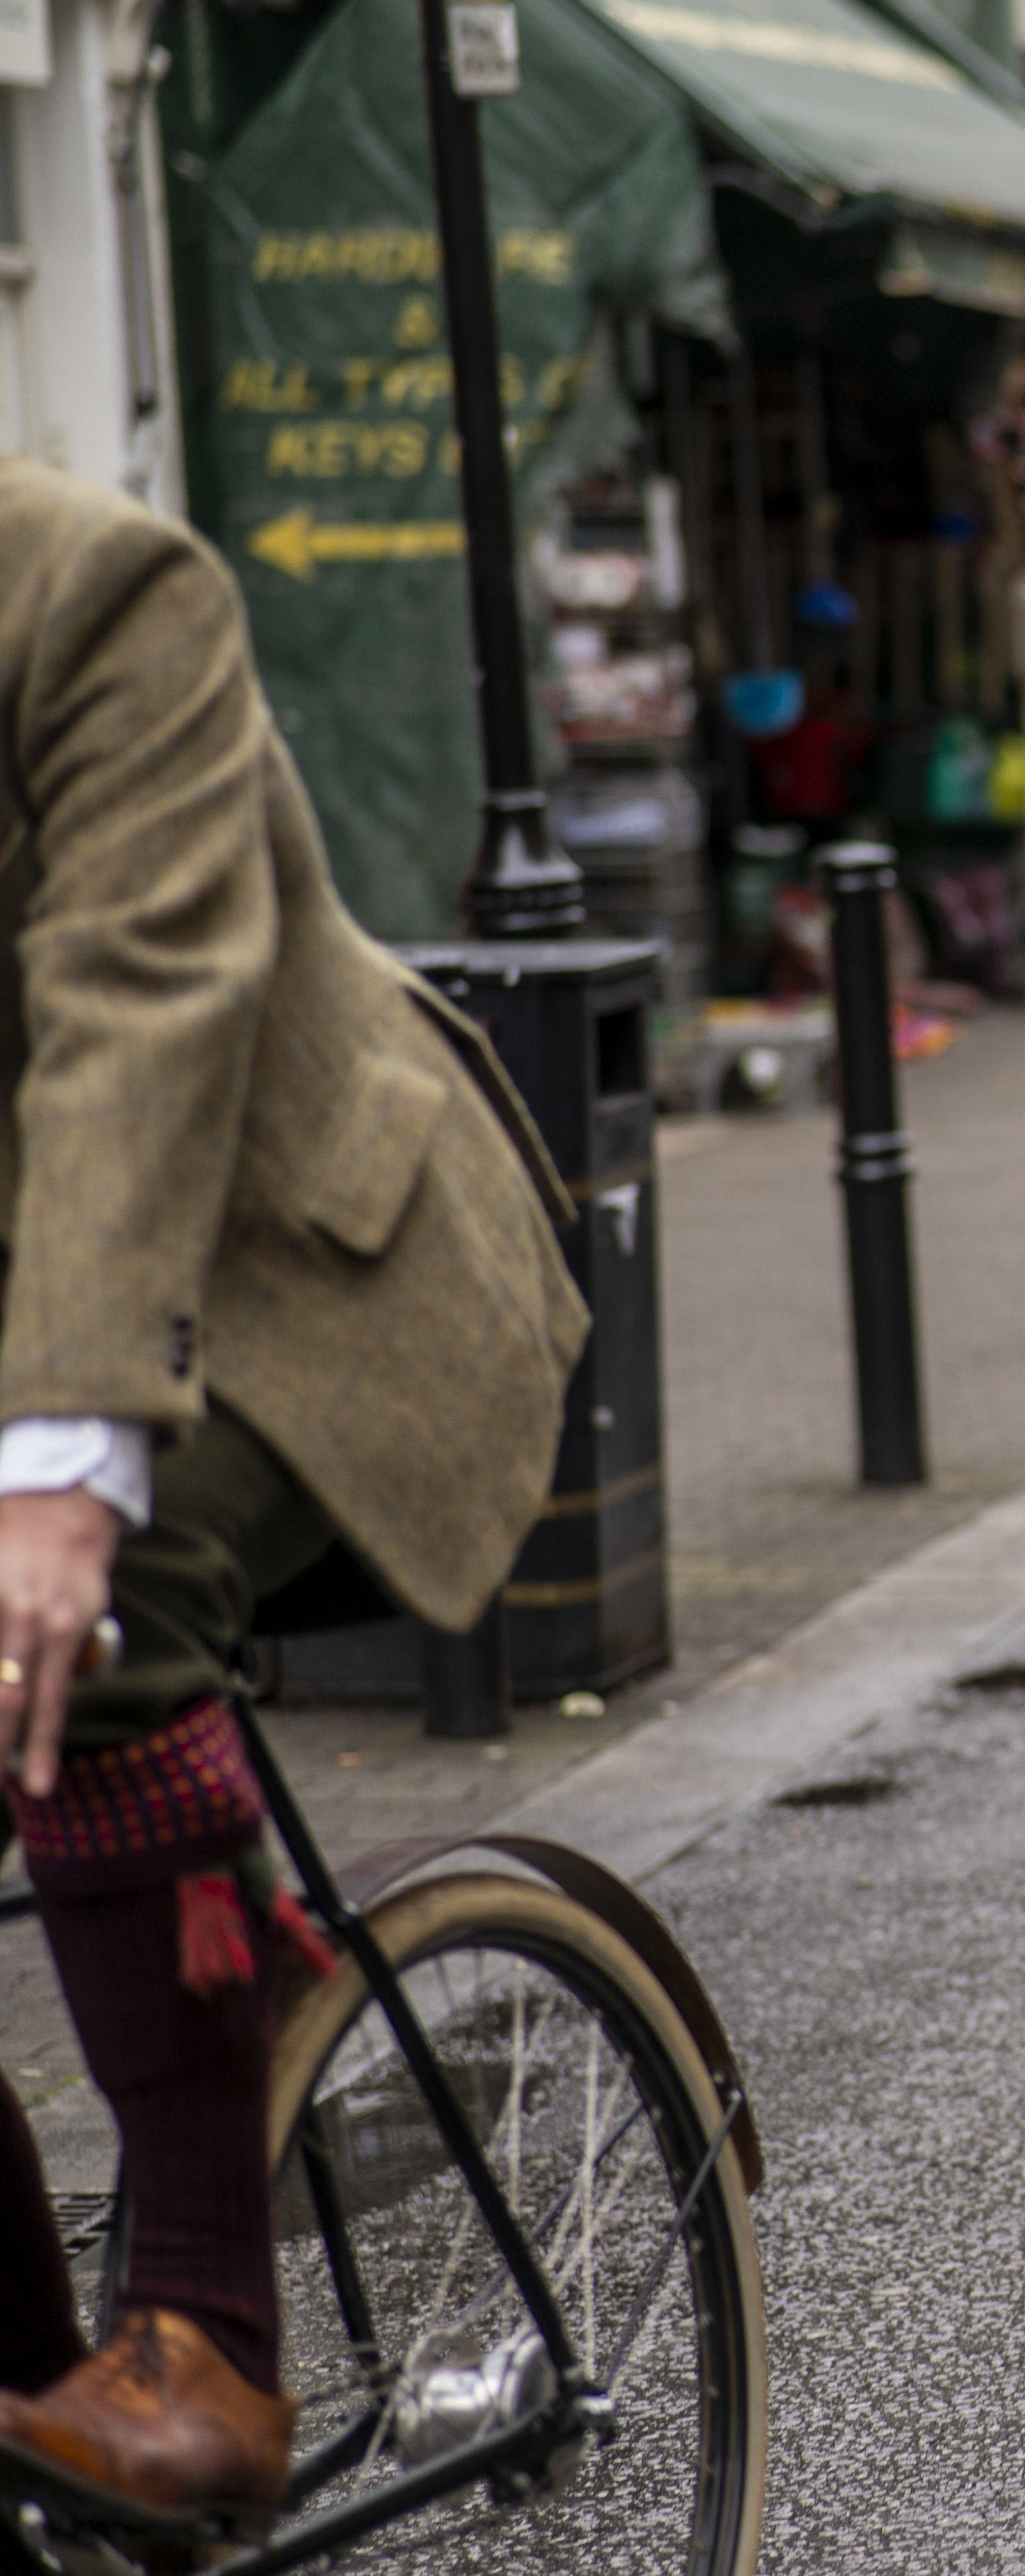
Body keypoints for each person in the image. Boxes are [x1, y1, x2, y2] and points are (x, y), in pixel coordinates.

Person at [0, 461, 588, 2534]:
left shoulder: (92, 591)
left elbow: (135, 1012)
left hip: (295, 1269)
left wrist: (62, 1453)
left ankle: (201, 2342)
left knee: (94, 1603)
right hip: (34, 1281)